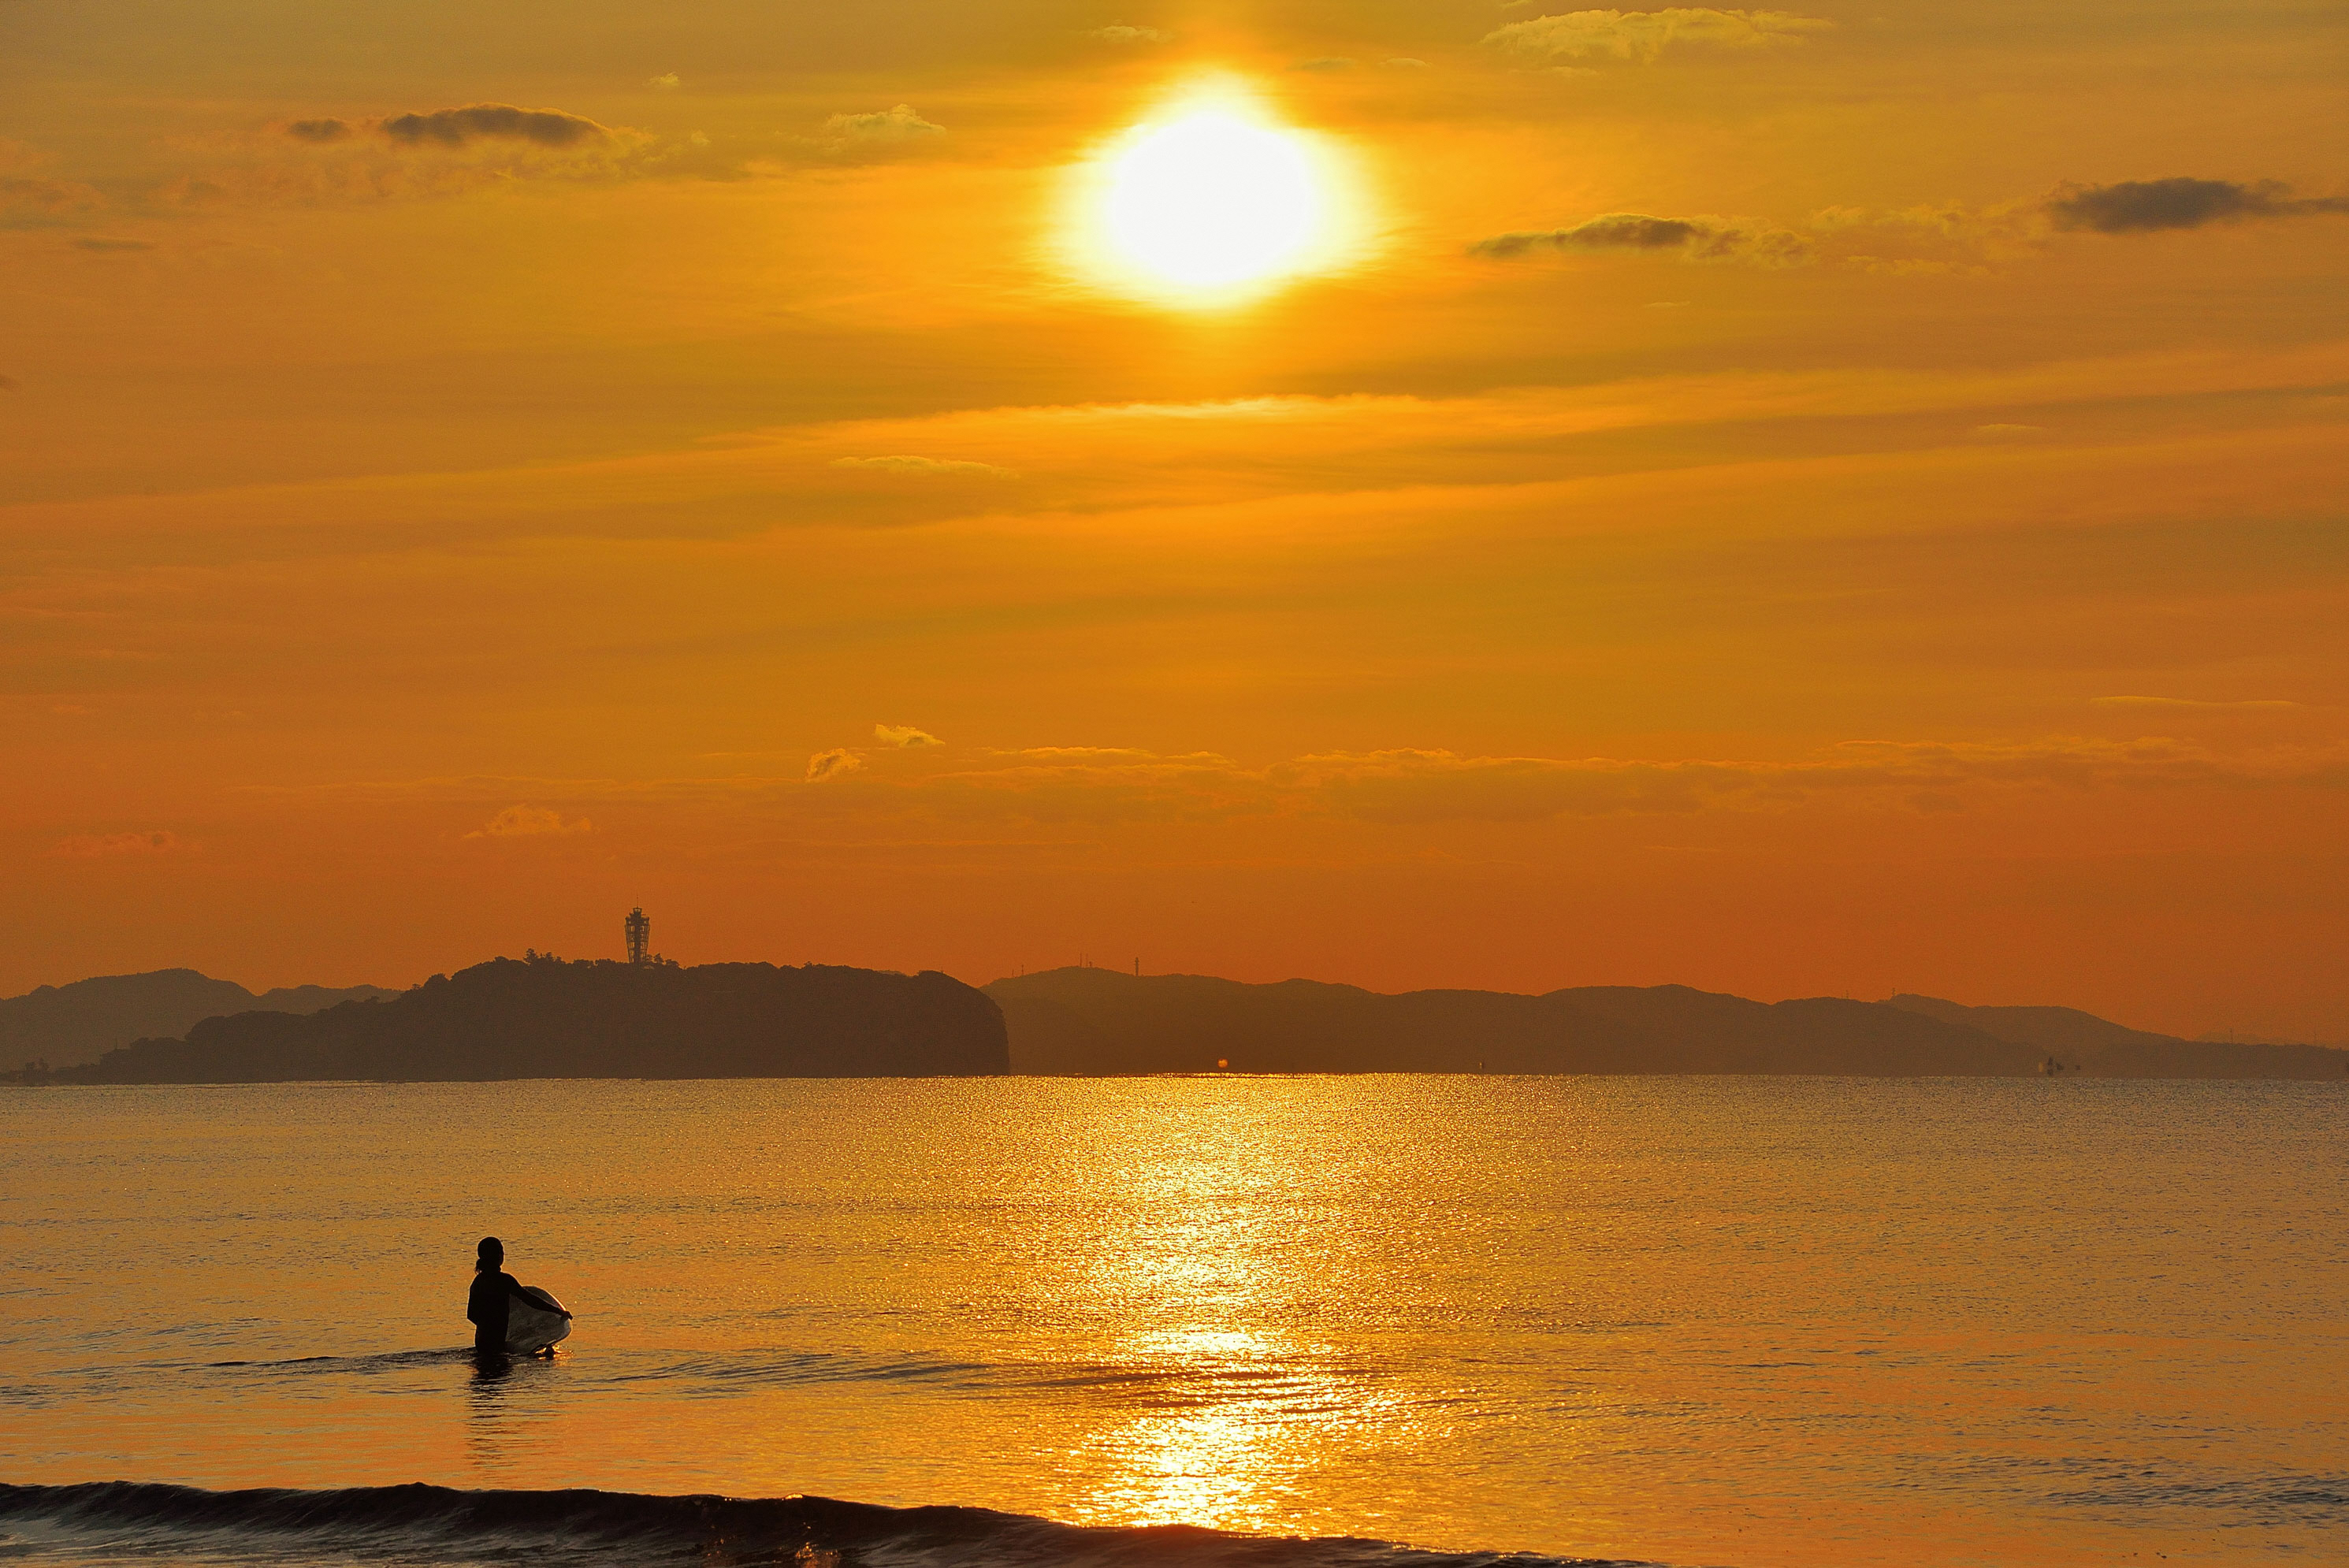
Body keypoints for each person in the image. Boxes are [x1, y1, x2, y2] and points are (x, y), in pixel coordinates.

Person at [466, 1235, 568, 1354]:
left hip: (481, 1342)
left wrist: (488, 1327)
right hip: (497, 1342)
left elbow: (471, 1314)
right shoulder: (504, 1280)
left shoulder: (478, 1282)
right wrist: (558, 1311)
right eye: (502, 1252)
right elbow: (530, 1299)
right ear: (499, 1256)